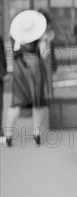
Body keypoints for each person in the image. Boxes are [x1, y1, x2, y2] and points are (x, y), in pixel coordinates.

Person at [4, 10, 53, 147]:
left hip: (19, 68)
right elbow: (44, 54)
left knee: (17, 102)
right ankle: (36, 133)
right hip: (35, 68)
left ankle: (8, 135)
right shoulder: (40, 36)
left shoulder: (15, 36)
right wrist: (46, 41)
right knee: (37, 101)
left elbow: (11, 54)